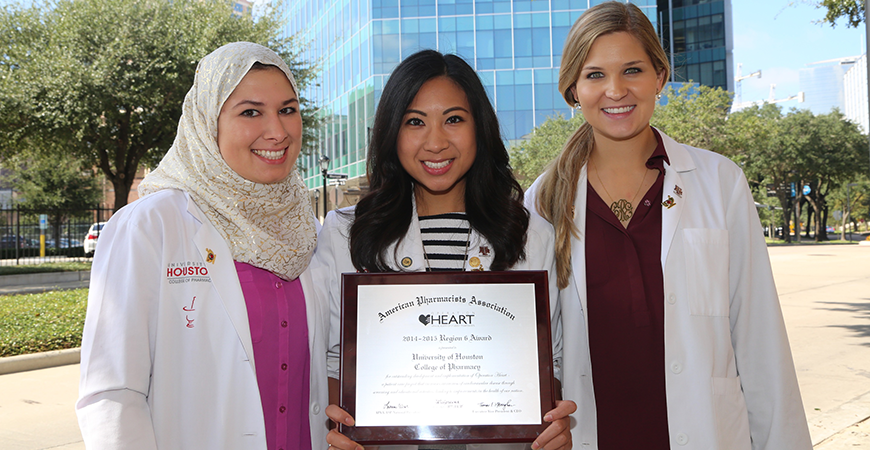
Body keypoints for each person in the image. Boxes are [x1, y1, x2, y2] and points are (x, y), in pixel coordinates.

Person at [524, 2, 812, 449]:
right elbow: (539, 351)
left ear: (659, 77)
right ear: (573, 90)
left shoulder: (720, 182)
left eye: (633, 70)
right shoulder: (543, 201)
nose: (615, 90)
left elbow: (760, 342)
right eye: (595, 75)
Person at [313, 50, 575, 450]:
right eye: (414, 122)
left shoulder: (531, 235)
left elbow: (550, 362)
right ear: (391, 132)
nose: (435, 142)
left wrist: (553, 425)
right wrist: (340, 426)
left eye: (454, 119)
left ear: (480, 128)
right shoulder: (345, 233)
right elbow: (333, 360)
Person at [75, 42, 329, 450]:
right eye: (250, 112)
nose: (278, 131)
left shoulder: (307, 231)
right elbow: (112, 394)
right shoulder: (150, 225)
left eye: (288, 109)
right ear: (208, 122)